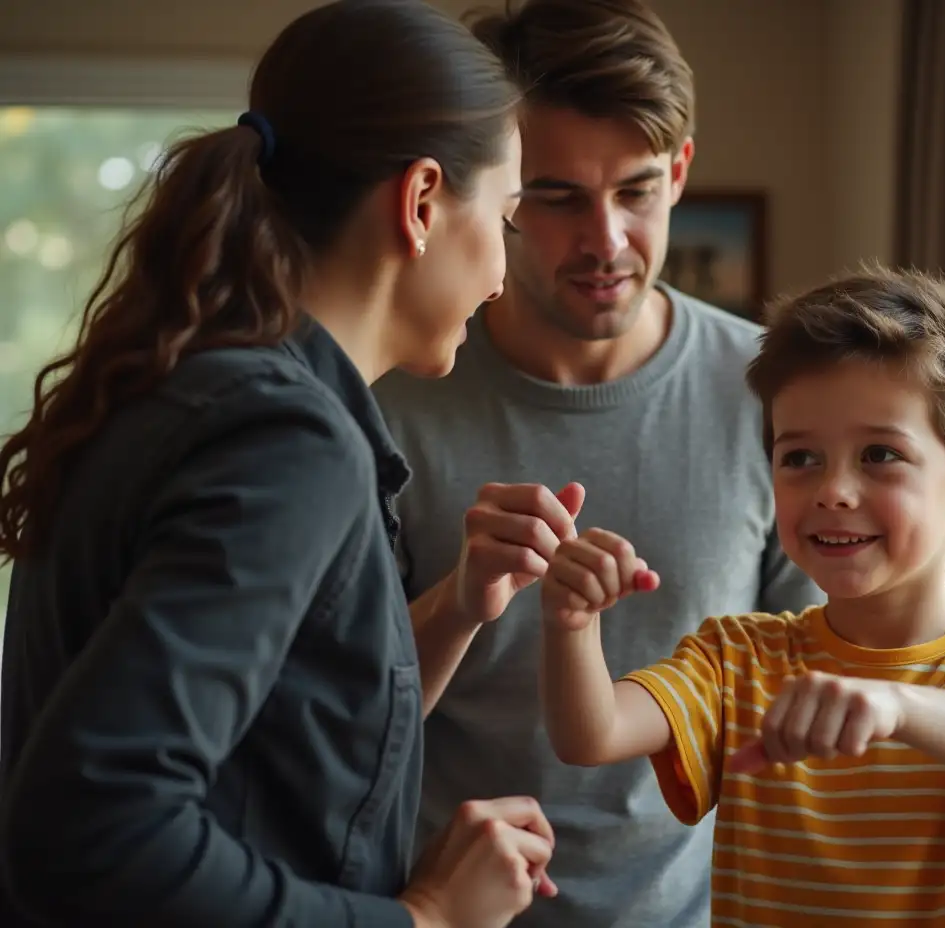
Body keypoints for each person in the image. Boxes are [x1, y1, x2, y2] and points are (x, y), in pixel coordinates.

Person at [0, 1, 560, 926]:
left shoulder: (183, 387)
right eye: (504, 215)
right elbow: (90, 827)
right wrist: (424, 920)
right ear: (422, 203)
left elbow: (285, 735)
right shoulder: (286, 441)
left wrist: (458, 606)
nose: (504, 270)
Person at [371, 1, 822, 925]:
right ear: (497, 193)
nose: (608, 241)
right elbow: (336, 722)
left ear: (682, 171)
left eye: (637, 190)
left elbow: (813, 685)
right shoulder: (388, 404)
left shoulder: (782, 398)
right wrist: (462, 596)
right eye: (558, 196)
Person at [538, 266, 945, 927]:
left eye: (880, 455)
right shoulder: (736, 659)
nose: (833, 490)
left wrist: (894, 703)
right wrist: (570, 623)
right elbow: (591, 734)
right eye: (800, 458)